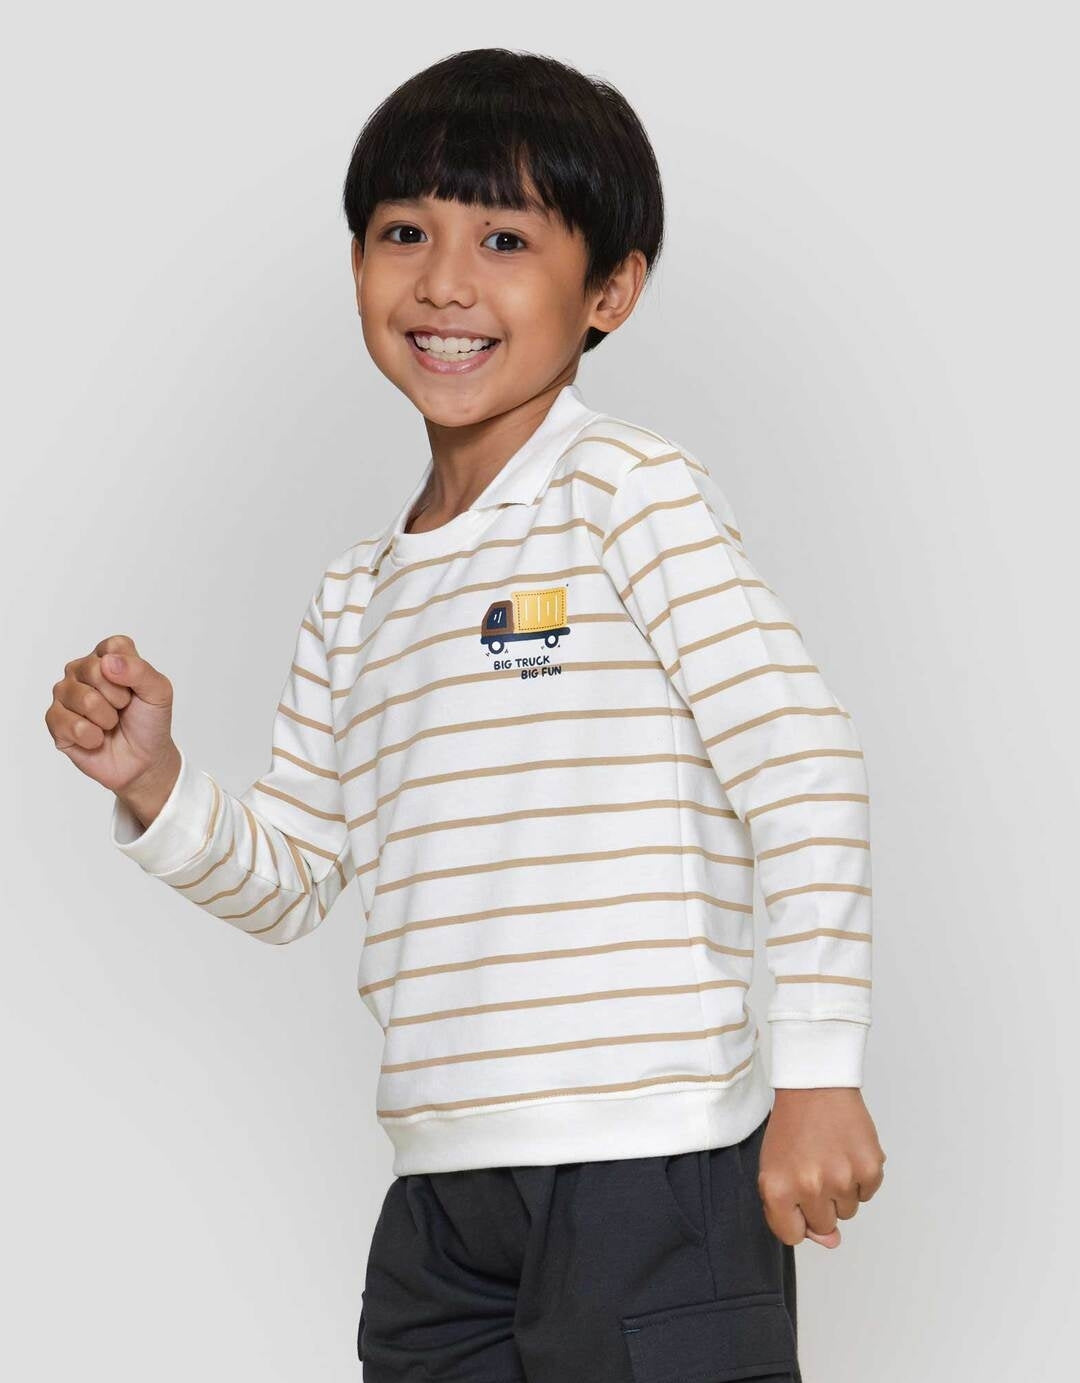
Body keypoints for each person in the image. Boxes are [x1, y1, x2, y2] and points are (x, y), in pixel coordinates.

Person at [46, 46, 886, 1382]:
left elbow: (803, 764)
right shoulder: (359, 594)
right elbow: (293, 879)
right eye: (404, 233)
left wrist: (820, 1070)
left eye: (504, 238)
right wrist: (155, 782)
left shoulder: (626, 494)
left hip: (651, 1165)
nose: (443, 281)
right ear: (357, 265)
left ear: (610, 290)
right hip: (443, 1189)